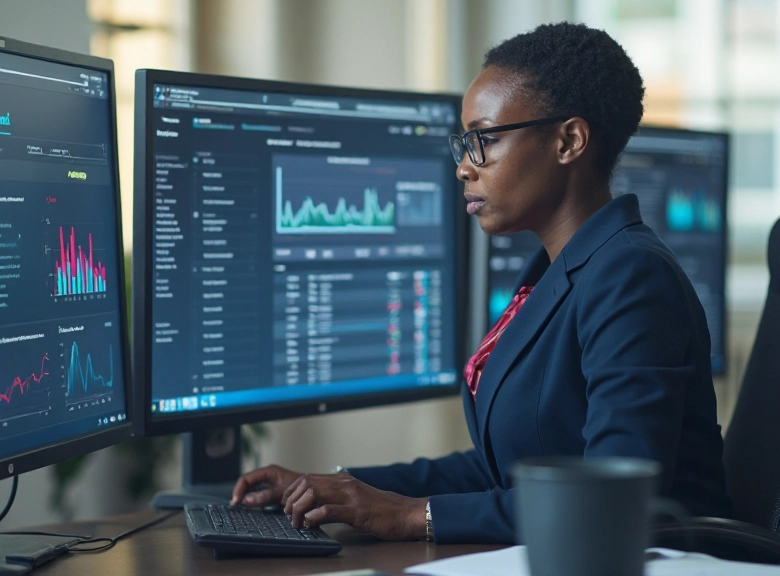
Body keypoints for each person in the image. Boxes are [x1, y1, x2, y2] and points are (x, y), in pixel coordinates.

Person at [230, 21, 734, 544]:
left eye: (484, 140)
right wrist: (340, 488)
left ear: (569, 141)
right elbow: (503, 465)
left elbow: (609, 498)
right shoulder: (553, 272)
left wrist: (411, 516)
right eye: (463, 144)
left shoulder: (631, 275)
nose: (464, 169)